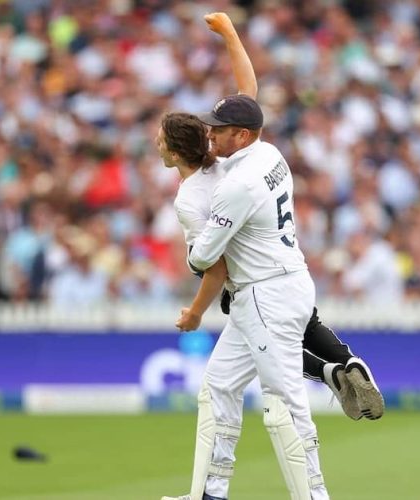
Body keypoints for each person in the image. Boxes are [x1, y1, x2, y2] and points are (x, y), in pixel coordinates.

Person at [159, 13, 382, 500]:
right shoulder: (267, 153)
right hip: (288, 282)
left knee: (284, 407)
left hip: (263, 294)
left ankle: (315, 496)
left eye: (220, 130)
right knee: (217, 386)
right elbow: (249, 92)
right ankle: (210, 492)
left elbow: (204, 259)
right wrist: (231, 34)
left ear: (240, 135)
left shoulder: (234, 184)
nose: (212, 136)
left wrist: (193, 253)